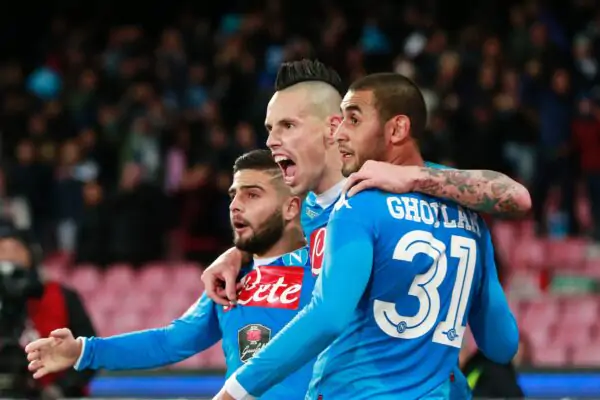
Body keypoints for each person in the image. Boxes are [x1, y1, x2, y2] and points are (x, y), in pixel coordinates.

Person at [215, 73, 519, 399]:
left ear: (397, 129)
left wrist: (234, 391)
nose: (340, 133)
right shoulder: (470, 214)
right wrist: (241, 252)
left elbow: (327, 317)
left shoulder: (359, 204)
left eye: (354, 120)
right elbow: (502, 344)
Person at [202, 59, 531, 307]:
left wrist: (415, 176)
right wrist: (239, 254)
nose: (271, 141)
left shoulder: (394, 184)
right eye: (270, 128)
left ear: (331, 128)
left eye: (287, 126)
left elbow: (517, 197)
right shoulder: (308, 206)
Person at [25, 150, 317, 400]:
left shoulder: (325, 270)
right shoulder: (229, 280)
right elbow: (171, 342)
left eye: (252, 194)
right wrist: (82, 351)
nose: (235, 205)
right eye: (234, 195)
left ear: (291, 207)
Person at [0, 221, 96, 399]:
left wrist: (61, 388)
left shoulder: (61, 295)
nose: (8, 258)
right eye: (2, 251)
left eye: (15, 250)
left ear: (31, 254)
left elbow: (88, 348)